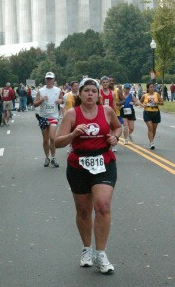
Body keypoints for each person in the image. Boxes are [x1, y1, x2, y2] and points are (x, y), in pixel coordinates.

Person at [55, 78, 121, 274]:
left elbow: (117, 127)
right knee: (84, 211)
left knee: (102, 206)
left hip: (104, 161)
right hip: (79, 164)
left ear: (98, 94)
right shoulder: (71, 114)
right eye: (87, 91)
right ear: (80, 94)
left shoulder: (106, 111)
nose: (90, 94)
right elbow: (57, 142)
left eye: (94, 91)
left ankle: (101, 254)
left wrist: (115, 137)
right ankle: (87, 249)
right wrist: (73, 134)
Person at [34, 72, 63, 168]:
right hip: (43, 117)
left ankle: (54, 158)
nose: (49, 80)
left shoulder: (58, 90)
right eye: (48, 78)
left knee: (52, 138)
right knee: (45, 140)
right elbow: (35, 104)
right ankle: (47, 157)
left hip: (54, 117)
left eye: (51, 78)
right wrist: (42, 100)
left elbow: (62, 100)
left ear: (54, 79)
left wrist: (60, 101)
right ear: (45, 79)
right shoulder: (41, 91)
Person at [140, 82, 164, 149]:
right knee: (150, 128)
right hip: (147, 113)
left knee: (154, 128)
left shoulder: (157, 94)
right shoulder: (145, 95)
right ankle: (151, 143)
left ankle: (151, 140)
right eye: (151, 87)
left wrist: (157, 102)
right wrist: (143, 105)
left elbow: (162, 103)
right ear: (148, 88)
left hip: (156, 113)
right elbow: (140, 102)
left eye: (153, 87)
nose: (152, 88)